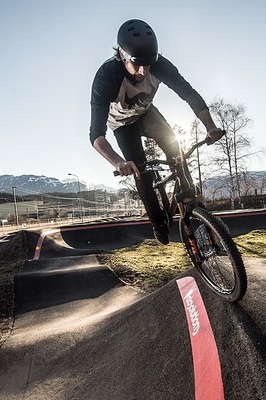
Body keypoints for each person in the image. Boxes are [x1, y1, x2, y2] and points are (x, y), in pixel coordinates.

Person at [89, 19, 223, 244]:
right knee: (141, 171)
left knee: (176, 149)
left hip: (148, 114)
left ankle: (192, 204)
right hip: (122, 126)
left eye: (148, 64)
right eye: (137, 64)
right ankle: (156, 221)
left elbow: (190, 95)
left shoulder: (160, 65)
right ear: (122, 57)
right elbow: (96, 136)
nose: (143, 71)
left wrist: (210, 127)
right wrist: (118, 162)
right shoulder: (106, 77)